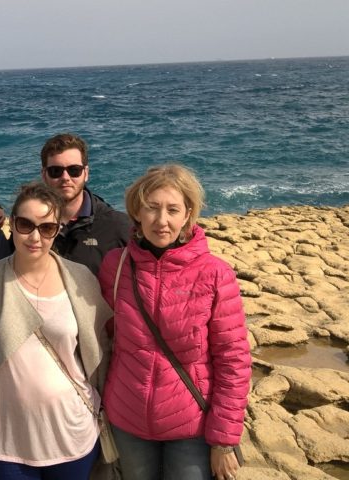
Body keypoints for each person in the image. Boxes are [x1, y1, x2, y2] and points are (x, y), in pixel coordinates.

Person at [97, 165, 251, 480]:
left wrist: (223, 438)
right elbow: (105, 337)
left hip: (191, 426)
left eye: (172, 209)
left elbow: (233, 360)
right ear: (136, 212)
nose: (162, 220)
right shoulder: (116, 265)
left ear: (188, 214)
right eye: (152, 208)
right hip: (128, 419)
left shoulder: (215, 274)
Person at [0, 182, 113, 479]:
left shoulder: (80, 279)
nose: (35, 237)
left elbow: (98, 349)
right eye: (26, 225)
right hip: (6, 437)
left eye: (47, 228)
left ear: (58, 229)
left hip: (72, 431)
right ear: (12, 224)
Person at [40, 133, 130, 276]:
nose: (65, 178)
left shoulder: (117, 227)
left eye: (74, 170)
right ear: (44, 175)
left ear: (86, 173)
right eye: (56, 171)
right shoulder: (31, 225)